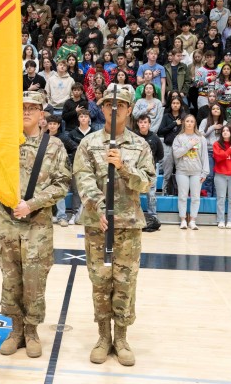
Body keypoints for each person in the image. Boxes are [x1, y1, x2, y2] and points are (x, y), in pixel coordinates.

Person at [74, 84, 154, 366]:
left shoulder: (140, 145)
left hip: (128, 226)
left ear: (130, 109)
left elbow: (146, 182)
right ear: (103, 108)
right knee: (99, 281)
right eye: (108, 104)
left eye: (120, 105)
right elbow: (82, 178)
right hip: (98, 225)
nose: (114, 108)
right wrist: (98, 206)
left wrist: (123, 166)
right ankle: (103, 336)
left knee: (125, 283)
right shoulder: (89, 143)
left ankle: (121, 337)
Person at [0, 91, 70, 359]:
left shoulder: (54, 146)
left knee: (35, 280)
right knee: (10, 277)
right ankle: (15, 330)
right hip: (7, 222)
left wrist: (33, 202)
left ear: (42, 115)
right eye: (22, 107)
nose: (26, 111)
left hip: (37, 224)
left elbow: (62, 183)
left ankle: (31, 331)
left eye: (33, 107)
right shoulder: (4, 143)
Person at [173, 114, 210, 229]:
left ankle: (193, 220)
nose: (189, 123)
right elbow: (176, 153)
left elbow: (205, 156)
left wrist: (205, 172)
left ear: (195, 124)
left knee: (195, 197)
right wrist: (189, 145)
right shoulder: (179, 138)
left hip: (196, 172)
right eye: (187, 121)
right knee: (182, 196)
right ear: (184, 123)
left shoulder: (201, 138)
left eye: (191, 121)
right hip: (182, 171)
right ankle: (183, 220)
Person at [135, 113, 163, 220]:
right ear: (138, 124)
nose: (143, 125)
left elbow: (160, 155)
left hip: (151, 171)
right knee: (135, 194)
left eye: (145, 122)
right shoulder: (134, 137)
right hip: (136, 171)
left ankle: (153, 216)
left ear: (149, 124)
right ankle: (136, 216)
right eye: (141, 122)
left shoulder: (155, 138)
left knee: (151, 195)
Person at [157, 97, 186, 195]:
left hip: (181, 147)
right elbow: (160, 131)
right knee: (167, 173)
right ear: (171, 104)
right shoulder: (166, 116)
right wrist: (174, 124)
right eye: (173, 103)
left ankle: (180, 193)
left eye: (177, 103)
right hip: (168, 146)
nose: (175, 105)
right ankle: (164, 193)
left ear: (180, 105)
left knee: (181, 172)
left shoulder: (184, 117)